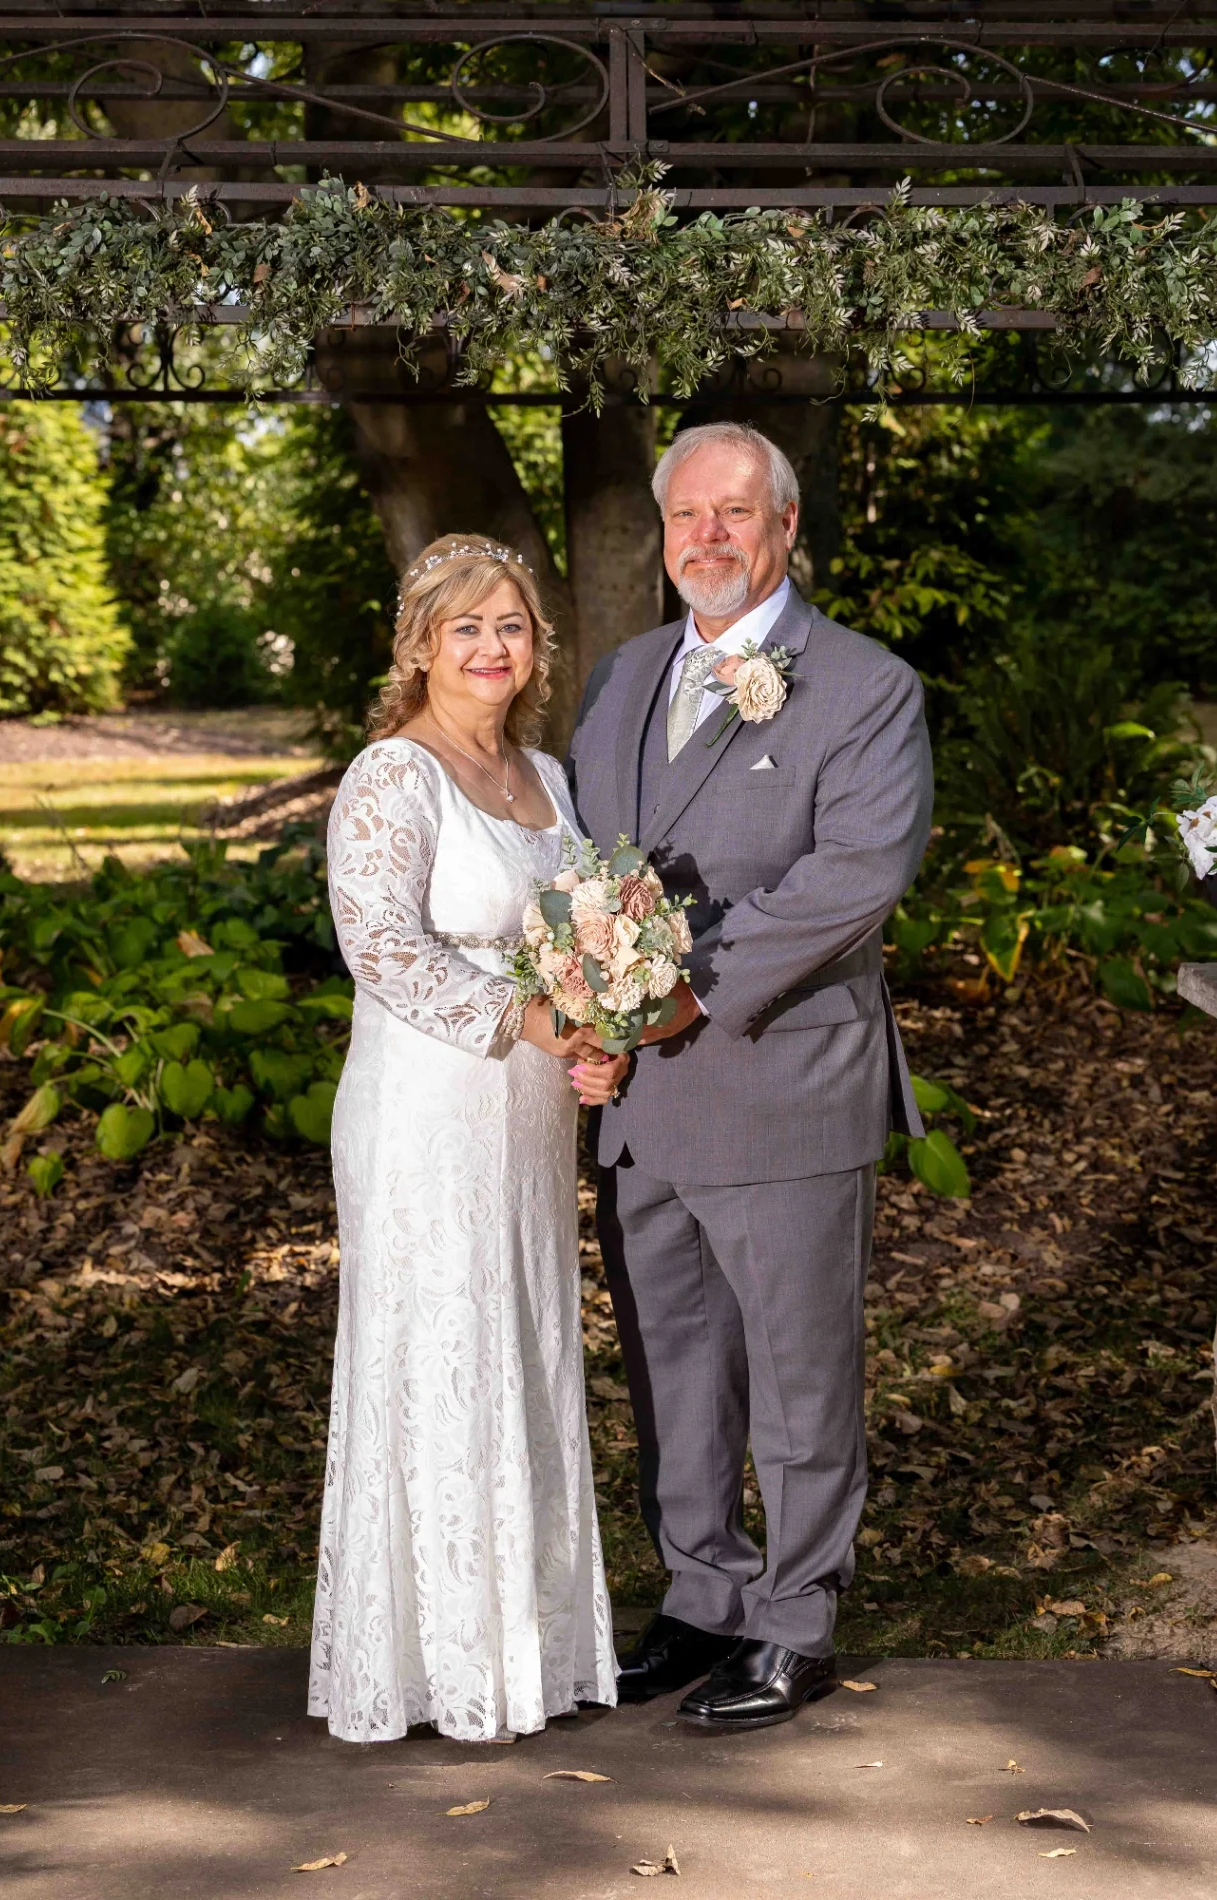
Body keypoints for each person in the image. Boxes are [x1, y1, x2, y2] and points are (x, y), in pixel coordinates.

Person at [569, 422, 934, 1731]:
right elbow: (588, 859)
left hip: (778, 1082)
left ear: (783, 527)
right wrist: (585, 989)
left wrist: (685, 986)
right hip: (641, 1099)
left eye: (733, 514)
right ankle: (701, 1595)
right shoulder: (616, 678)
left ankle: (794, 1617)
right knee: (674, 1361)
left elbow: (854, 877)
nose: (705, 538)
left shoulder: (862, 685)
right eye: (684, 516)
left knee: (793, 1368)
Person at [309, 535, 624, 1744]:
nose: (493, 648)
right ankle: (431, 1662)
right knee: (442, 1344)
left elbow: (587, 934)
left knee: (524, 1338)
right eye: (467, 629)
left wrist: (603, 1033)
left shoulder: (548, 774)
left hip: (535, 1108)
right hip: (427, 1102)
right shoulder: (393, 775)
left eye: (513, 626)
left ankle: (524, 1654)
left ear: (537, 645)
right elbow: (380, 947)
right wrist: (535, 1020)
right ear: (420, 646)